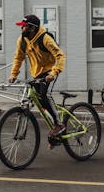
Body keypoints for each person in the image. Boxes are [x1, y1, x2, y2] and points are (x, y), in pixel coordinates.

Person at [8, 14, 66, 145]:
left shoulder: (45, 39)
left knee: (44, 95)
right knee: (39, 100)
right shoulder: (22, 40)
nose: (22, 29)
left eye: (24, 27)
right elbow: (18, 58)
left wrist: (54, 72)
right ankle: (56, 135)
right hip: (37, 73)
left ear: (32, 28)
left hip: (50, 70)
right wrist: (13, 74)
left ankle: (59, 124)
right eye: (21, 27)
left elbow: (60, 56)